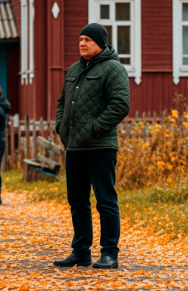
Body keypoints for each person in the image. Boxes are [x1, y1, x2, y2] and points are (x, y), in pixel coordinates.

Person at [52, 23, 130, 269]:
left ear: (101, 43)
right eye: (80, 39)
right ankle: (80, 252)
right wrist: (61, 127)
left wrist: (94, 129)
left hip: (100, 146)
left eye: (87, 39)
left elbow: (120, 105)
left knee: (105, 200)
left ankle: (109, 253)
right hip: (74, 147)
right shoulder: (74, 69)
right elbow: (62, 102)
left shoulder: (114, 69)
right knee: (77, 201)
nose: (82, 43)